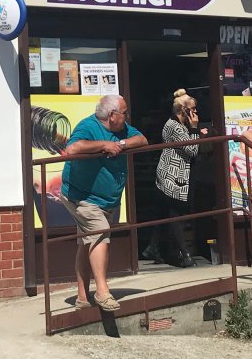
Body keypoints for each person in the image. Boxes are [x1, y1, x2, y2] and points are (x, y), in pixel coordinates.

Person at [60, 94, 147, 311]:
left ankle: (82, 296)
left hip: (107, 199)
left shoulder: (122, 129)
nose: (127, 116)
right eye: (124, 112)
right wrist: (103, 145)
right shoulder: (88, 126)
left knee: (87, 241)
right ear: (111, 115)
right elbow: (72, 148)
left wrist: (120, 144)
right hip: (81, 197)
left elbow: (142, 140)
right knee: (99, 232)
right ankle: (102, 291)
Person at [152, 89, 203, 267]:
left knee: (165, 212)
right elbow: (193, 150)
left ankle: (152, 247)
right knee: (174, 212)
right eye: (193, 109)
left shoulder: (182, 125)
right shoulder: (174, 126)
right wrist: (196, 129)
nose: (196, 112)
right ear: (183, 109)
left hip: (177, 174)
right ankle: (186, 253)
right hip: (171, 174)